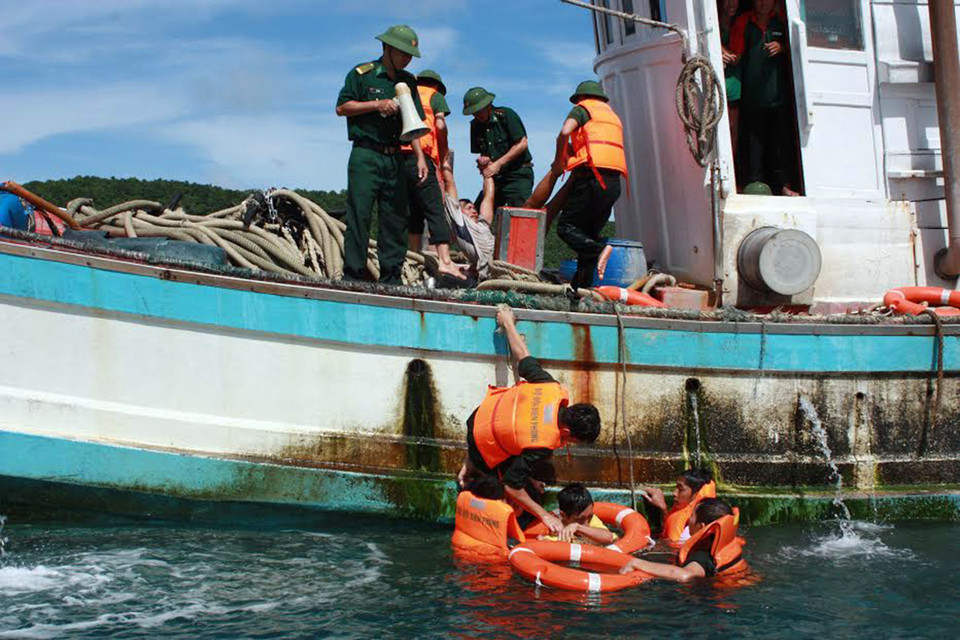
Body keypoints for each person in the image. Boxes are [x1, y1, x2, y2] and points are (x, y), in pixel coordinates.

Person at [457, 305, 602, 534]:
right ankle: (474, 467)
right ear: (567, 433)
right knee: (522, 505)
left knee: (527, 471)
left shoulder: (549, 387)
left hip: (481, 414)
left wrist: (507, 322)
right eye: (574, 441)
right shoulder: (542, 444)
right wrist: (544, 516)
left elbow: (522, 354)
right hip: (483, 440)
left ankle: (477, 461)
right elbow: (511, 487)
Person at [335, 25, 429, 285]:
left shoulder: (409, 81)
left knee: (396, 218)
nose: (407, 59)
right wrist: (377, 105)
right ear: (387, 49)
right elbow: (342, 107)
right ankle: (352, 275)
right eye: (403, 53)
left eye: (410, 55)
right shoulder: (362, 74)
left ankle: (391, 277)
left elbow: (413, 124)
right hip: (366, 155)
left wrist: (420, 157)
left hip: (395, 156)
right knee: (360, 215)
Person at [550, 80, 628, 291]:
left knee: (567, 227)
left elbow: (565, 131)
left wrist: (559, 162)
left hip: (592, 179)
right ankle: (580, 291)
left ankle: (600, 248)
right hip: (613, 184)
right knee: (587, 237)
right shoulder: (612, 116)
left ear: (581, 98)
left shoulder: (582, 109)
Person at [729, 0, 800, 196]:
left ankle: (782, 185)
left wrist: (783, 48)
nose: (763, 3)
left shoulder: (782, 21)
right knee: (753, 143)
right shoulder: (744, 22)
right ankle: (754, 184)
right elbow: (735, 53)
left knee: (780, 142)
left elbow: (799, 48)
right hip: (752, 96)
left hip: (779, 94)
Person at [402, 69, 465, 282]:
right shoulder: (435, 96)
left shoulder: (407, 93)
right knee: (434, 209)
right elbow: (439, 124)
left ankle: (413, 258)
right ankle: (445, 261)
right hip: (423, 157)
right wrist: (443, 154)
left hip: (399, 157)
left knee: (413, 211)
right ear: (437, 86)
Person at [619, 498, 747, 582]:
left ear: (701, 527)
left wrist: (637, 563)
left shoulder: (704, 556)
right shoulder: (724, 544)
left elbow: (685, 575)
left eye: (691, 516)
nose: (687, 520)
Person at [462, 87, 534, 209]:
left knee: (521, 213)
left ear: (488, 105)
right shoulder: (475, 126)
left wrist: (499, 163)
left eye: (479, 111)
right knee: (477, 212)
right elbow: (483, 153)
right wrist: (484, 161)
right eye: (473, 112)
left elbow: (522, 143)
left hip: (518, 174)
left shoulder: (506, 115)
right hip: (497, 178)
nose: (477, 115)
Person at [439, 152, 496, 280]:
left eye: (474, 208)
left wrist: (485, 170)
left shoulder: (483, 224)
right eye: (469, 208)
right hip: (489, 268)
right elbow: (449, 183)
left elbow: (489, 196)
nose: (474, 211)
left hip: (503, 260)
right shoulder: (460, 221)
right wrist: (444, 159)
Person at [641, 468, 717, 545]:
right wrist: (663, 509)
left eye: (680, 489)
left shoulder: (696, 521)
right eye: (676, 487)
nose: (674, 493)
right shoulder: (688, 511)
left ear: (695, 495)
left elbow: (672, 547)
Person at [537, 483, 616, 545]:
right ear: (563, 515)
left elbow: (610, 538)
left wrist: (578, 527)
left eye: (590, 516)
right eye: (580, 519)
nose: (587, 524)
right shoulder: (553, 532)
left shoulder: (590, 519)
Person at [718, 0, 742, 166]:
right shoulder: (714, 26)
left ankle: (731, 172)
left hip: (734, 86)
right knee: (720, 130)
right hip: (718, 87)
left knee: (733, 130)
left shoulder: (741, 23)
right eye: (725, 0)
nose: (730, 4)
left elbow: (736, 57)